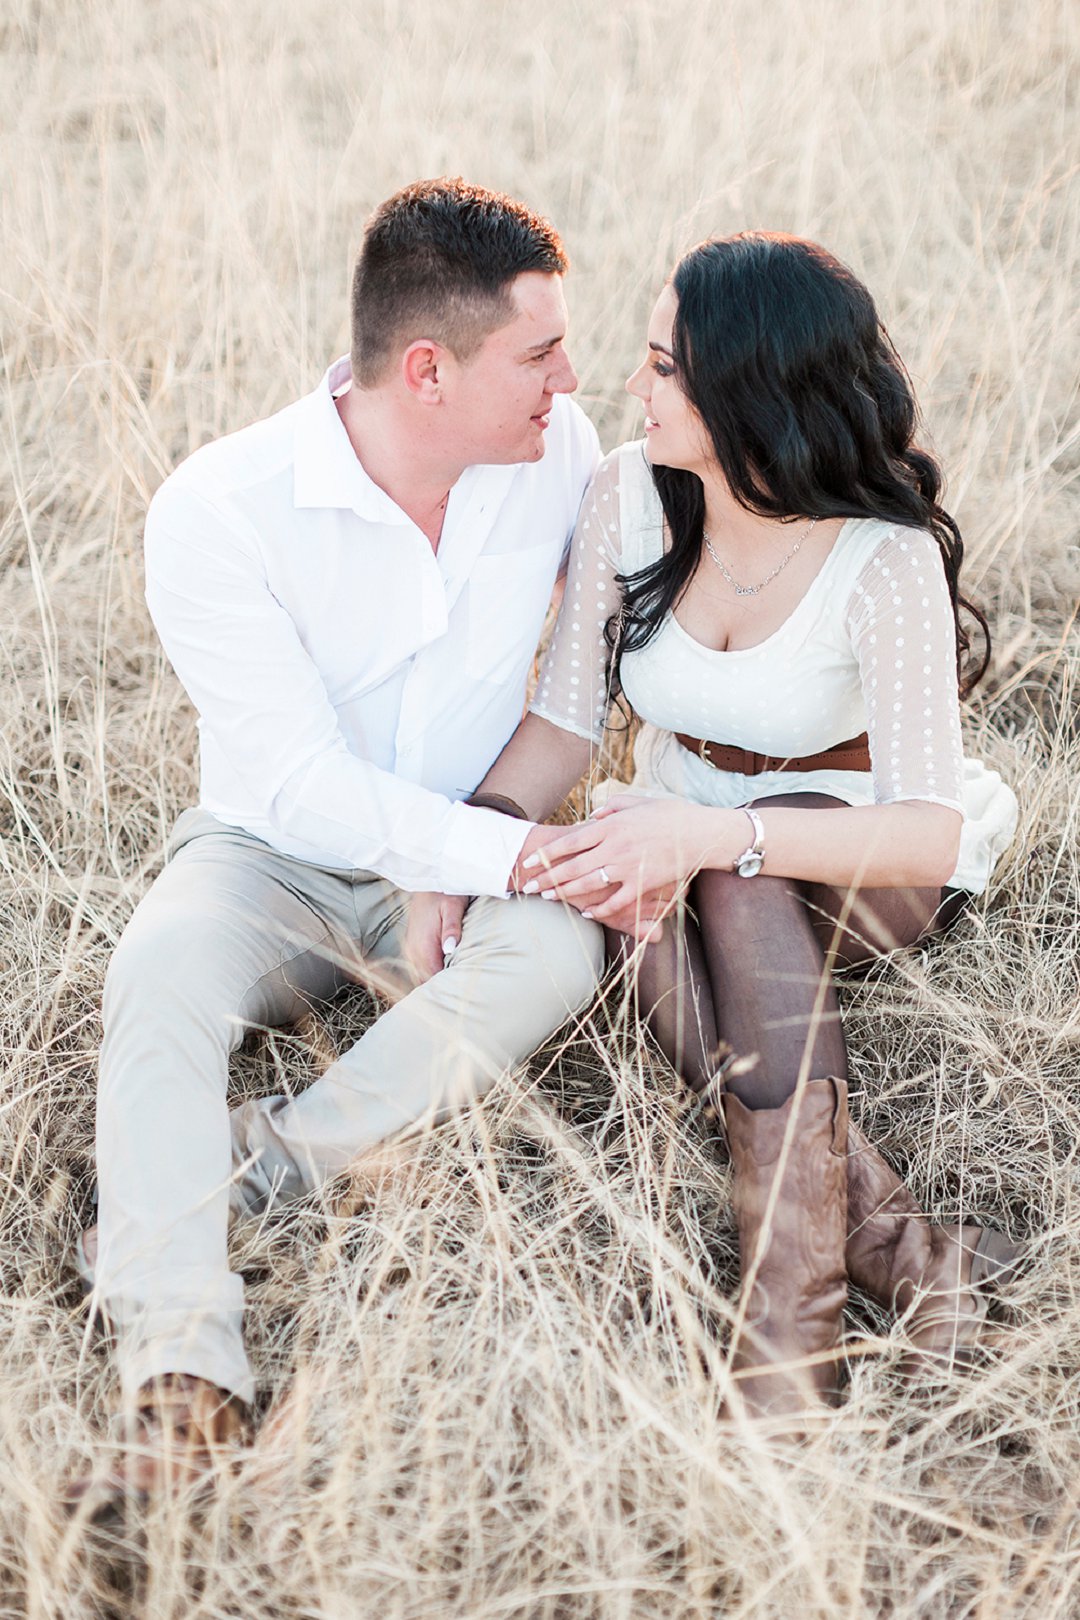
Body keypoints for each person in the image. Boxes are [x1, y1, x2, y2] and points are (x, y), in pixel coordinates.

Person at [67, 177, 607, 1510]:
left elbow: (570, 698)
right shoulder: (220, 507)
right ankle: (180, 1384)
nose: (568, 377)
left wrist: (480, 852)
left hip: (470, 839)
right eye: (537, 354)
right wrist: (484, 859)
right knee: (158, 985)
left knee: (557, 956)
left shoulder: (565, 452)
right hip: (267, 855)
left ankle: (255, 1171)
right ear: (428, 368)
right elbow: (302, 783)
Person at [469, 232, 1021, 1422]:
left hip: (858, 843)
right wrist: (475, 839)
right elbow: (564, 729)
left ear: (749, 391)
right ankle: (908, 1249)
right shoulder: (626, 494)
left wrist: (712, 838)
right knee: (619, 881)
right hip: (681, 816)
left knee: (730, 878)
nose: (634, 386)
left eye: (665, 367)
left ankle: (790, 1313)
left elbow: (925, 829)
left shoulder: (882, 560)